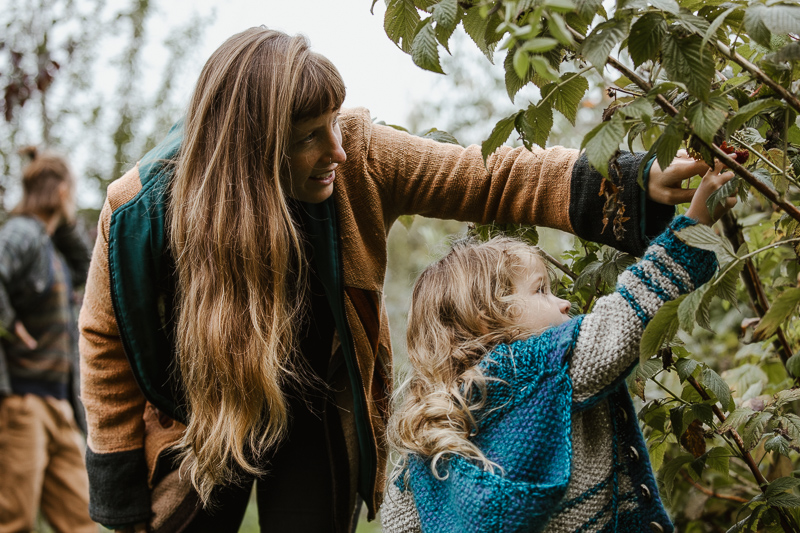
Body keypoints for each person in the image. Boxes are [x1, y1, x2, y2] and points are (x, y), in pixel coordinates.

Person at [78, 27, 712, 533]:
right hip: (206, 410)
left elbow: (487, 177)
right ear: (253, 152)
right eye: (309, 137)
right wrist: (120, 492)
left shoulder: (358, 157)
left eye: (334, 122)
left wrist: (632, 182)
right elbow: (104, 343)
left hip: (316, 405)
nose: (337, 148)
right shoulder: (141, 214)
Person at [379, 163, 736, 533]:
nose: (564, 303)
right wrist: (696, 223)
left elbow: (398, 524)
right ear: (488, 315)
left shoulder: (428, 429)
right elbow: (627, 317)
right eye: (541, 290)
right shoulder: (546, 369)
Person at [0, 147, 94, 533]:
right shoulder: (20, 232)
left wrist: (64, 219)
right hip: (23, 404)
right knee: (14, 522)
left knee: (82, 522)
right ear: (62, 192)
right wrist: (9, 323)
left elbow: (87, 268)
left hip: (59, 406)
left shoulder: (49, 245)